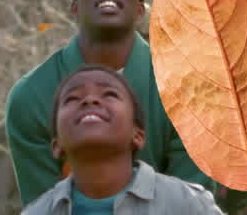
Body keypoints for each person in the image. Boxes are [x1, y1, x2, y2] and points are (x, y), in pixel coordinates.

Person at [6, 0, 213, 205]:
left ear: (140, 10)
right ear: (74, 8)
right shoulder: (31, 97)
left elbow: (190, 200)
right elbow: (45, 204)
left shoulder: (189, 88)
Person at [21, 65, 224, 214]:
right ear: (56, 145)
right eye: (72, 98)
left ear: (138, 135)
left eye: (109, 94)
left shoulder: (187, 204)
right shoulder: (38, 212)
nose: (90, 100)